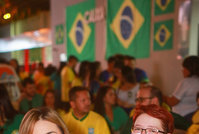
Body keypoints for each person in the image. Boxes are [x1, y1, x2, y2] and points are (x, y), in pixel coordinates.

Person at [121, 85, 191, 134]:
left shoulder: (175, 118)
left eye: (152, 131)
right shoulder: (134, 119)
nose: (137, 103)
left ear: (154, 101)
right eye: (138, 129)